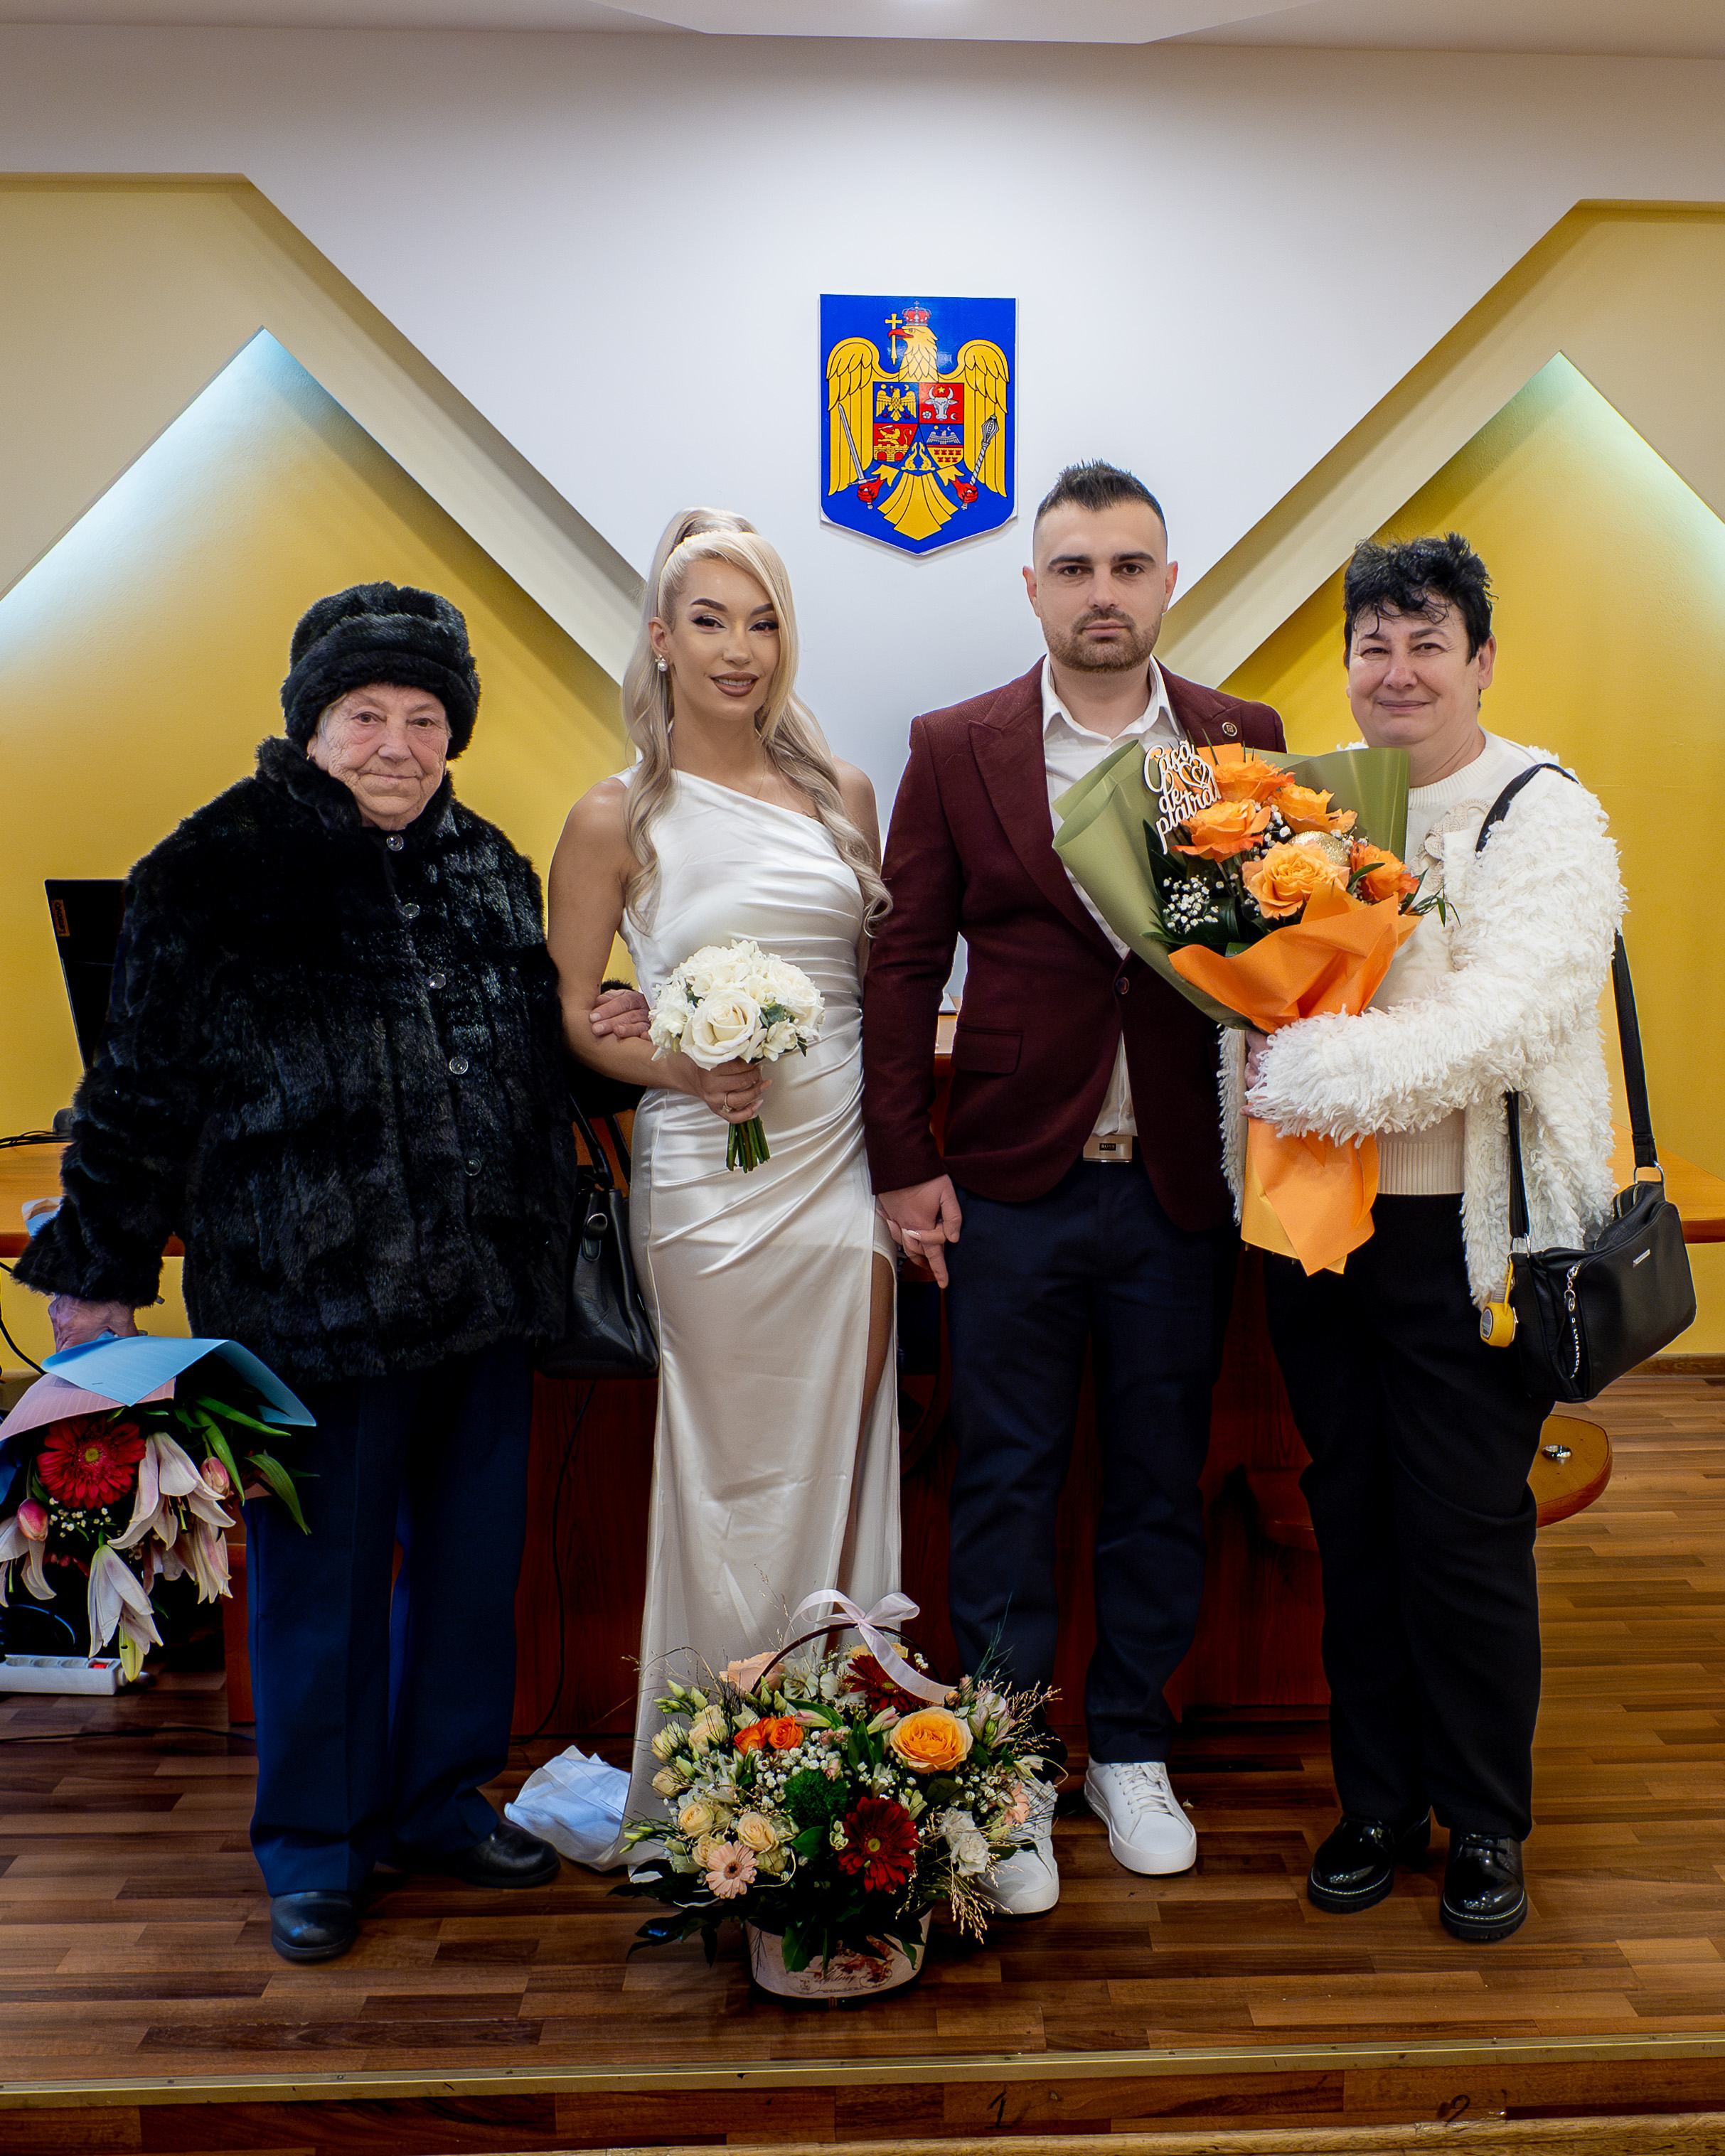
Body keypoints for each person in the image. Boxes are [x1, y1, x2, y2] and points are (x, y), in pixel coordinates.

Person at [14, 583, 605, 1965]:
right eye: (365, 715)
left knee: (469, 1573)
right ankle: (318, 1843)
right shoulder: (207, 868)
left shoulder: (489, 863)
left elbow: (530, 1053)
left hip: (484, 1291)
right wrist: (97, 1271)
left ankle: (438, 1802)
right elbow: (136, 1088)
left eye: (424, 717)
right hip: (307, 1299)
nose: (397, 744)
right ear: (310, 726)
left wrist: (624, 1034)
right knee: (316, 1586)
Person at [861, 461, 1286, 1914]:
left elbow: (1273, 955)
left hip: (1179, 1182)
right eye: (1074, 566)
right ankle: (1007, 1764)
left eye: (1128, 564)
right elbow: (903, 962)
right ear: (1032, 585)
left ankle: (1132, 1747)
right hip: (1006, 1182)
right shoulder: (955, 743)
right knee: (1004, 1481)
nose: (1103, 592)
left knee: (1160, 1479)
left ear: (1168, 581)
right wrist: (903, 1159)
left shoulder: (1240, 737)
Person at [1239, 534, 1624, 1943]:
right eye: (1373, 645)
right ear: (1346, 662)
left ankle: (1485, 1819)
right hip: (1318, 1227)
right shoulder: (1313, 808)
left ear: (1479, 659)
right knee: (1350, 1521)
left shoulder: (1540, 809)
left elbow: (1503, 1021)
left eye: (1425, 643)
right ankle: (1380, 1802)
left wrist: (1313, 1070)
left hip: (1470, 1241)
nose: (1396, 671)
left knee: (1463, 1533)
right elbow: (1258, 992)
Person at [547, 511, 899, 1857]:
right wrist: (683, 1069)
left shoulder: (844, 794)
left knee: (840, 1464)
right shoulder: (615, 815)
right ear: (660, 637)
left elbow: (869, 993)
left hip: (839, 1171)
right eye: (709, 620)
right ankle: (712, 1792)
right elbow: (578, 1020)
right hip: (705, 1186)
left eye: (761, 622)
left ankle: (838, 1777)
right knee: (726, 1479)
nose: (738, 649)